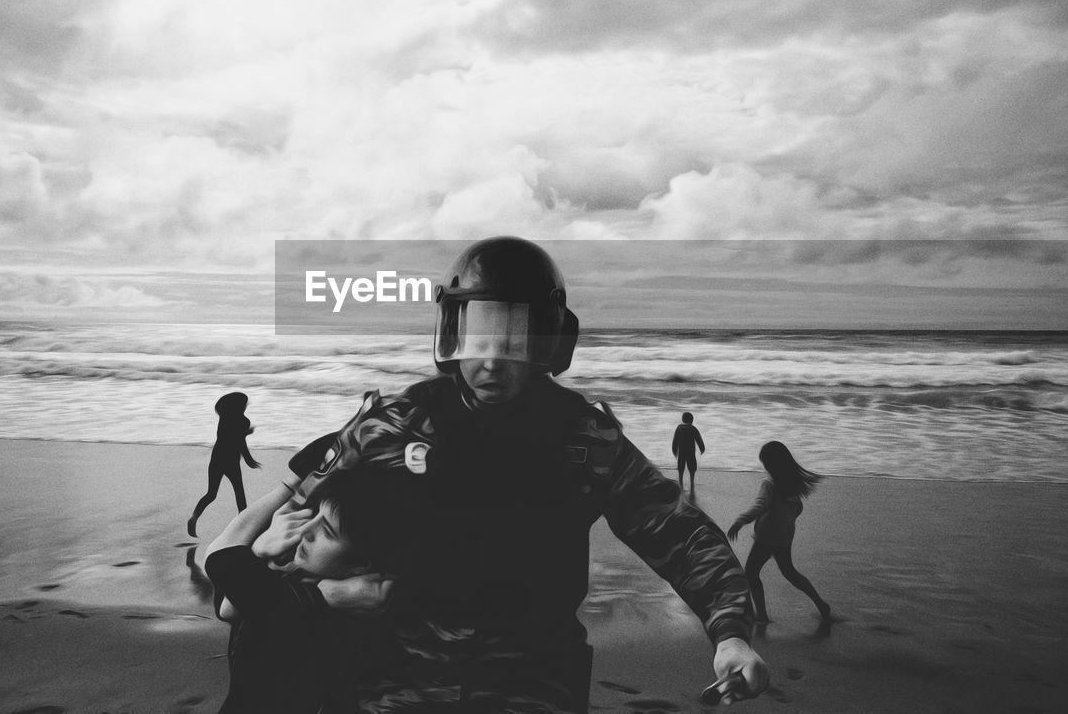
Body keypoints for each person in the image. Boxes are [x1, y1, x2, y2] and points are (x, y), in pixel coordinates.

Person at [274, 236, 769, 712]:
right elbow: (294, 530)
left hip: (533, 682)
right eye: (478, 336)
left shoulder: (586, 440)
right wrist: (317, 595)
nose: (492, 361)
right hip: (395, 677)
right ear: (453, 333)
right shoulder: (392, 426)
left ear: (549, 341)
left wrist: (730, 634)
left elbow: (681, 536)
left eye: (514, 340)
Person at [203, 468, 401, 714]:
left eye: (327, 531)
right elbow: (231, 608)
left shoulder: (308, 612)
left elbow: (218, 559)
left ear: (363, 564)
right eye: (315, 515)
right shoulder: (307, 586)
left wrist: (262, 546)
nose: (306, 530)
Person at [726, 441, 831, 624]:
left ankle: (762, 615)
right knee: (790, 572)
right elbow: (798, 508)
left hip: (767, 537)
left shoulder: (769, 484)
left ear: (771, 464)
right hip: (784, 537)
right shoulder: (792, 484)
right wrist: (786, 521)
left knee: (751, 573)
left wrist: (740, 520)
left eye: (765, 463)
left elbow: (760, 506)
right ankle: (821, 604)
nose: (764, 467)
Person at [189, 392, 260, 537]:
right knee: (240, 496)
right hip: (231, 462)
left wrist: (245, 433)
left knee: (211, 494)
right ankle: (244, 529)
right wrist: (248, 459)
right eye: (245, 403)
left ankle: (194, 517)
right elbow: (239, 442)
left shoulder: (224, 417)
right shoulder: (243, 421)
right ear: (240, 406)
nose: (246, 405)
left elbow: (228, 435)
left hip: (216, 459)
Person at [671, 412, 706, 492]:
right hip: (690, 451)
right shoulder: (693, 428)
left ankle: (680, 481)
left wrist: (674, 450)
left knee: (681, 466)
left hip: (682, 451)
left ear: (682, 419)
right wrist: (702, 448)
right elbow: (699, 439)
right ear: (692, 420)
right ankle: (692, 481)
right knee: (692, 467)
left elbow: (675, 440)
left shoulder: (679, 428)